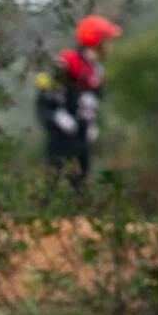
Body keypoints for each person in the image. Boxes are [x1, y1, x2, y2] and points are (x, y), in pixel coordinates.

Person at [36, 15, 121, 188]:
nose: (109, 46)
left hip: (81, 137)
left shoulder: (96, 69)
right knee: (56, 180)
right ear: (96, 41)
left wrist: (91, 125)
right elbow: (47, 99)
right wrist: (63, 120)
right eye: (106, 40)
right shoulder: (67, 62)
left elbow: (94, 99)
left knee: (80, 182)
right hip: (61, 137)